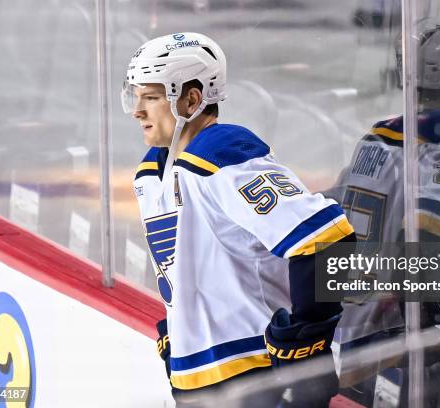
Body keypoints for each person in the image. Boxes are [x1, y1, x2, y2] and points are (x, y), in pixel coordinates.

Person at [121, 32, 355, 407]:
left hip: (256, 376)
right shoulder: (151, 173)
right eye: (135, 96)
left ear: (192, 99)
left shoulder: (222, 153)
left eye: (150, 97)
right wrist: (181, 330)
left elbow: (326, 239)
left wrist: (306, 344)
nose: (138, 110)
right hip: (198, 381)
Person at [328, 17, 440, 407]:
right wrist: (430, 346)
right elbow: (428, 243)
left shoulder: (378, 136)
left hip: (351, 343)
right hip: (402, 355)